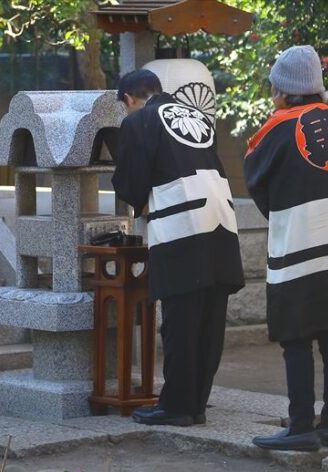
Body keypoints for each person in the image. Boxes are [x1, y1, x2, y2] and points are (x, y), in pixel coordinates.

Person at [244, 46, 328, 451]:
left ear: (283, 91)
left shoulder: (275, 127)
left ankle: (300, 426)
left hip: (300, 241)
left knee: (296, 336)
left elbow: (257, 182)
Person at [112, 69, 245, 427]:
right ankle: (196, 404)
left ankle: (176, 407)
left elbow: (131, 182)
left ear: (128, 99)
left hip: (183, 226)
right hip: (222, 224)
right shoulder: (196, 116)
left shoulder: (140, 120)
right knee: (209, 321)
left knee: (180, 322)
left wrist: (135, 200)